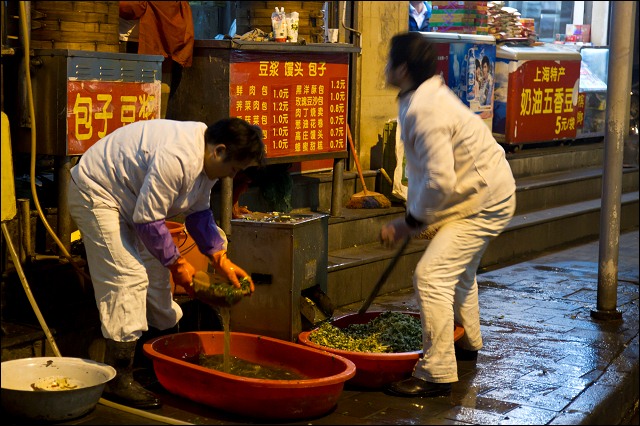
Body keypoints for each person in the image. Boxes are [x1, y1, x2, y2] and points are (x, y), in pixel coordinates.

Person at [67, 118, 265, 409]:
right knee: (128, 276)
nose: (233, 176)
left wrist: (220, 258)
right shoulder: (178, 157)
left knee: (156, 276)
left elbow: (198, 214)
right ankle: (118, 376)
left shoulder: (207, 156)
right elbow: (148, 220)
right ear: (220, 151)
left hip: (133, 200)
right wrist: (179, 265)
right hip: (98, 191)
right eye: (235, 169)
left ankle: (161, 359)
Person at [381, 32, 516, 397]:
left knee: (431, 276)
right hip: (479, 191)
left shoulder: (426, 109)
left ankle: (436, 372)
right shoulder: (419, 96)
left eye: (388, 60)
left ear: (403, 69)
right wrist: (416, 216)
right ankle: (468, 342)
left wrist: (410, 222)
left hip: (484, 199)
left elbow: (438, 180)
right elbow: (432, 174)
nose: (384, 67)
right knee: (459, 270)